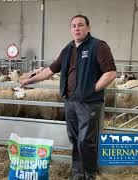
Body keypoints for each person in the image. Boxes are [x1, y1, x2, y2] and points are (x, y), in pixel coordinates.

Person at [20, 15, 117, 180]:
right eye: (74, 26)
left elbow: (111, 73)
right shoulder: (67, 49)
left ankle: (90, 174)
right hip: (70, 101)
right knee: (75, 138)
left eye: (80, 25)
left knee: (86, 140)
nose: (77, 28)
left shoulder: (98, 46)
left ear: (88, 27)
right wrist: (30, 80)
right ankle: (78, 173)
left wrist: (92, 89)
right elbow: (50, 71)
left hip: (88, 103)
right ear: (70, 29)